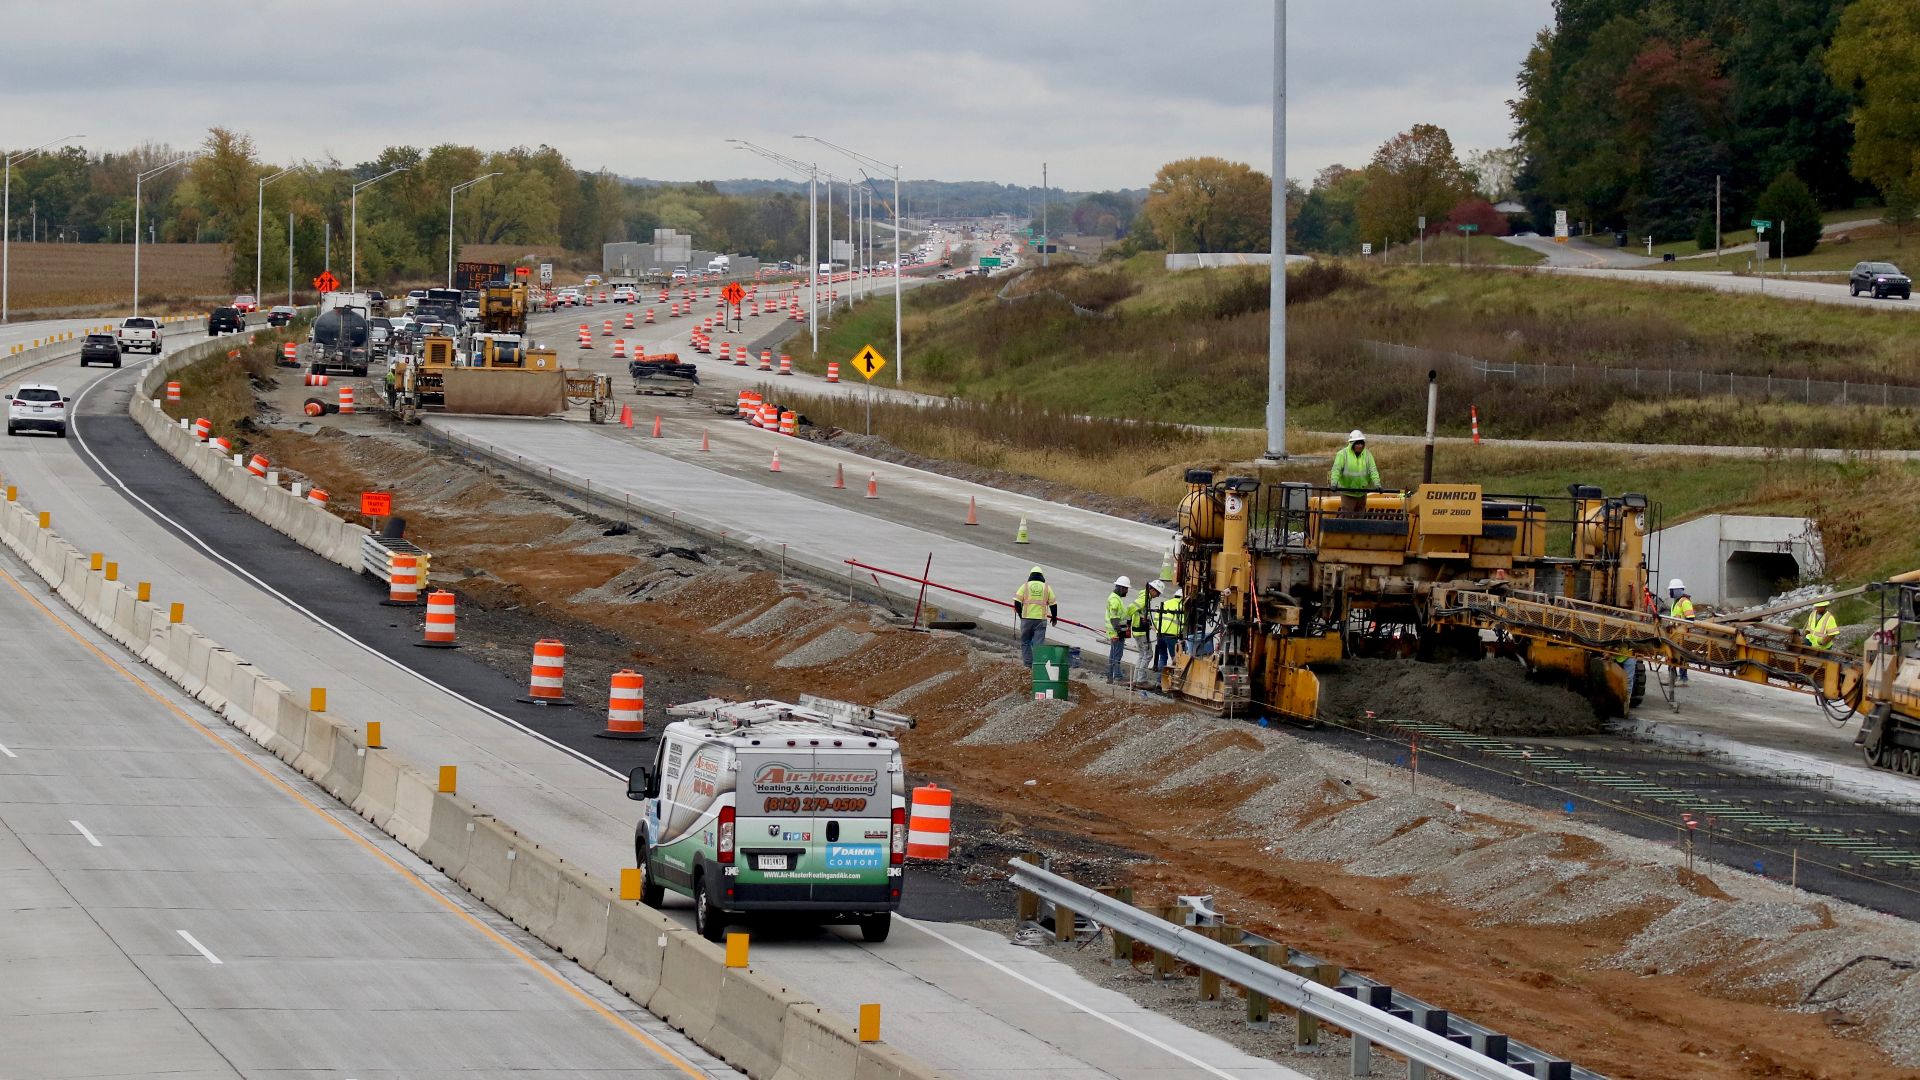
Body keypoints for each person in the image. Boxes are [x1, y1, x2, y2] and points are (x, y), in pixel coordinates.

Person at [1012, 566, 1058, 667]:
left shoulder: (1025, 586)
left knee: (1025, 642)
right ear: (1042, 576)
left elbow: (1017, 602)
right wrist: (1054, 617)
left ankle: (1028, 664)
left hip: (1026, 620)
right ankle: (1038, 665)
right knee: (1039, 645)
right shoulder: (1046, 587)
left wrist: (1021, 615)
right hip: (1041, 620)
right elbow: (1053, 604)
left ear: (1031, 575)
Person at [1329, 429, 1382, 514]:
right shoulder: (1343, 454)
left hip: (1362, 493)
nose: (1360, 446)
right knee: (1347, 519)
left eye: (1361, 443)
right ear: (1352, 444)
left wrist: (1377, 484)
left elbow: (1373, 470)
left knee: (1359, 520)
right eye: (1357, 443)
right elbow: (1336, 470)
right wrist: (1334, 483)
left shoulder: (1367, 455)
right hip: (1348, 494)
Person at [1128, 581, 1160, 684]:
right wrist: (1128, 624)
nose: (1158, 595)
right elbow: (1129, 609)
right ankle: (1140, 680)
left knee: (1142, 655)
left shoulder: (1146, 598)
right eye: (1157, 593)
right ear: (1152, 590)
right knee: (1148, 654)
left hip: (1139, 631)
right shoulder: (1144, 600)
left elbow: (1140, 614)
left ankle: (1136, 680)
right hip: (1141, 631)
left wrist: (1147, 622)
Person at [1105, 575, 1132, 684]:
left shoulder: (1115, 598)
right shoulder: (1115, 600)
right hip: (1116, 632)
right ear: (1121, 588)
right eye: (1126, 589)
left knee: (1113, 654)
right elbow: (1114, 618)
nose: (1126, 591)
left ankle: (1110, 676)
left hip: (1114, 631)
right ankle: (1117, 676)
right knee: (1117, 655)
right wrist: (1120, 631)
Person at [1667, 579, 1694, 683]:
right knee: (1672, 655)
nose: (1670, 593)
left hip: (1681, 634)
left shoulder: (1685, 601)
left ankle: (1683, 679)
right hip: (1674, 633)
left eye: (1671, 590)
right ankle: (1673, 678)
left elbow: (1690, 619)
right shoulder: (1676, 602)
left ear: (1677, 590)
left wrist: (1684, 631)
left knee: (1681, 656)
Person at [1155, 586, 1184, 671]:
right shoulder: (1181, 606)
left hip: (1159, 634)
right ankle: (1171, 679)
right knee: (1175, 658)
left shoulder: (1165, 603)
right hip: (1172, 636)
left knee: (1163, 657)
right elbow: (1183, 623)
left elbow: (1157, 619)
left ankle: (1159, 681)